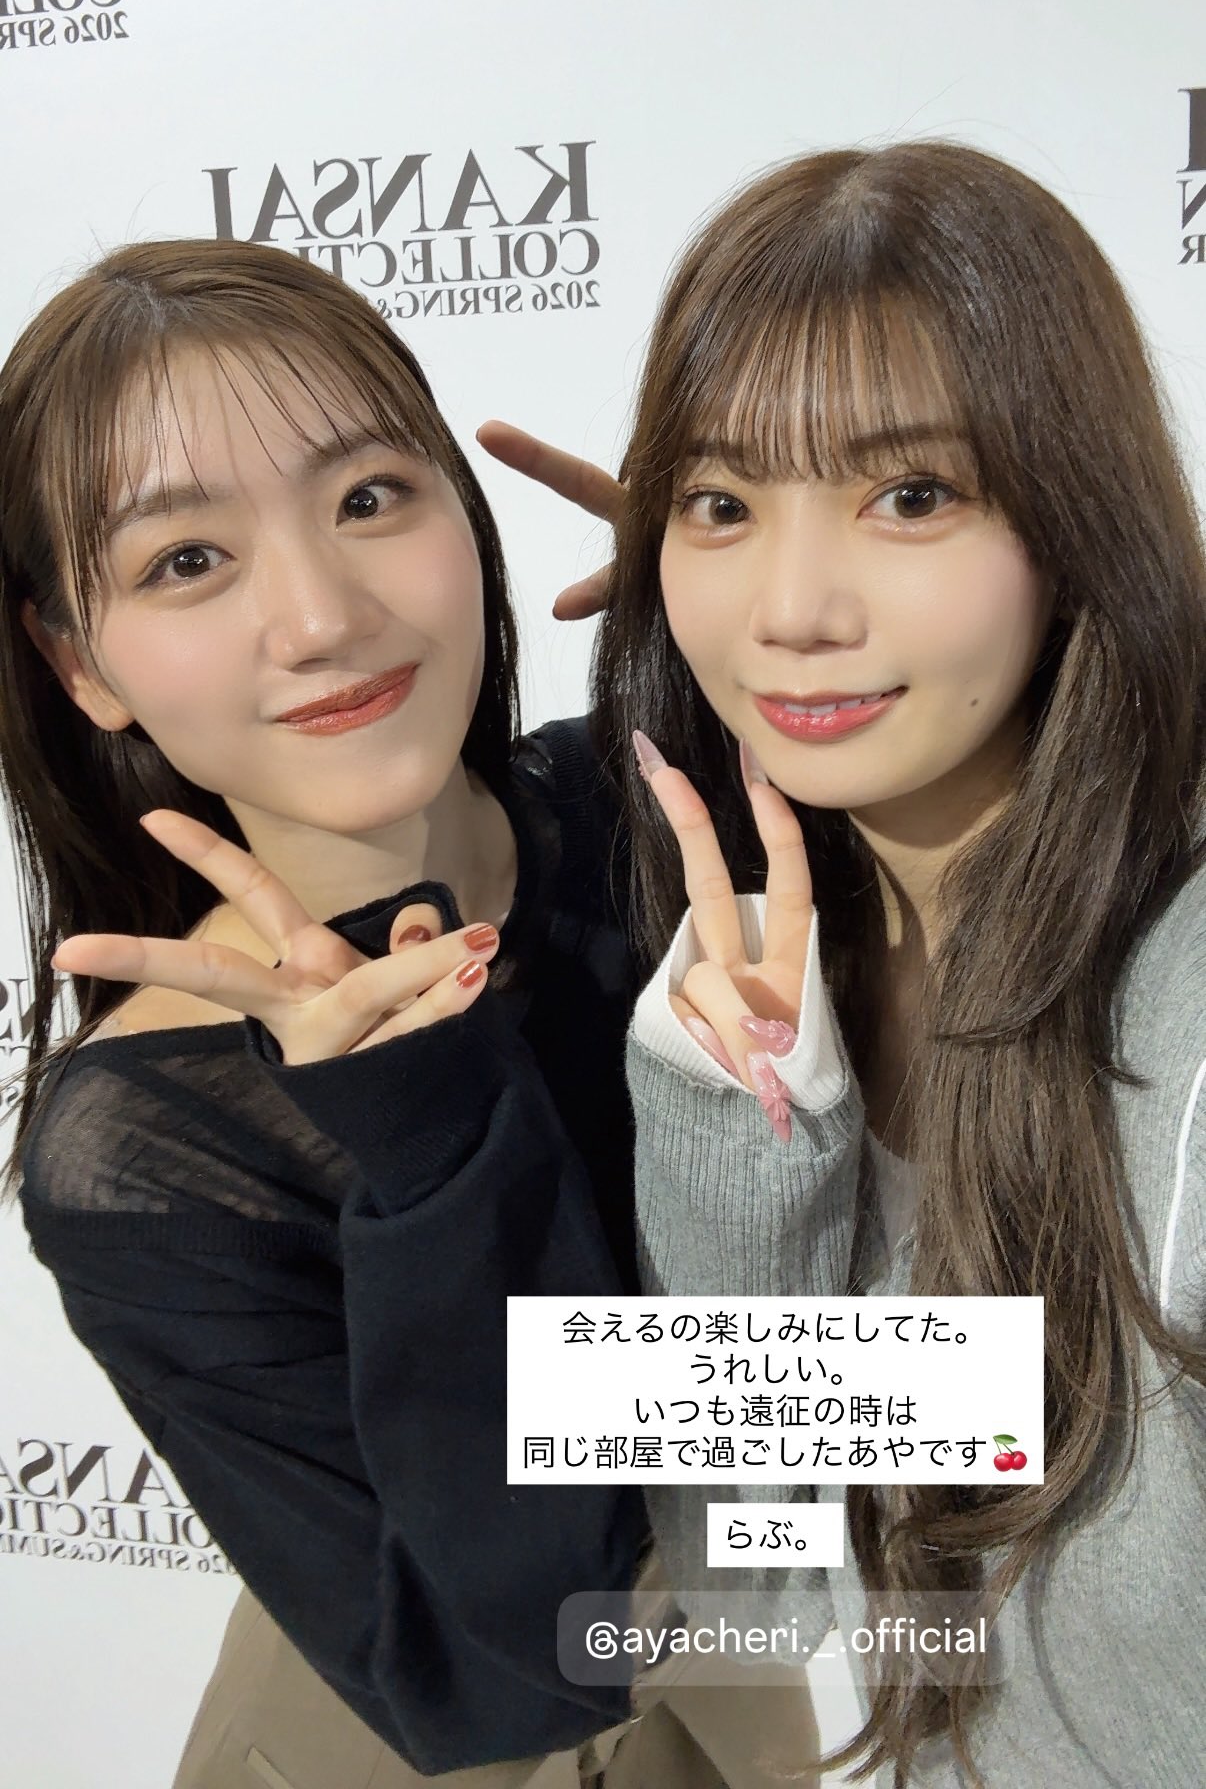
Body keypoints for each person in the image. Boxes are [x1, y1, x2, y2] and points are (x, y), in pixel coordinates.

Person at [0, 239, 814, 1789]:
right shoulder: (141, 1141)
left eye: (370, 496)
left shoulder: (646, 812)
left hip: (736, 1684)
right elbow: (500, 1676)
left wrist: (760, 610)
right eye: (187, 560)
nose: (318, 617)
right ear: (75, 660)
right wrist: (430, 1141)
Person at [489, 142, 1206, 1787]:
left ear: (1075, 518)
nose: (792, 610)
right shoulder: (754, 969)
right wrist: (747, 1138)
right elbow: (757, 1588)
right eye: (721, 505)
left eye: (910, 497)